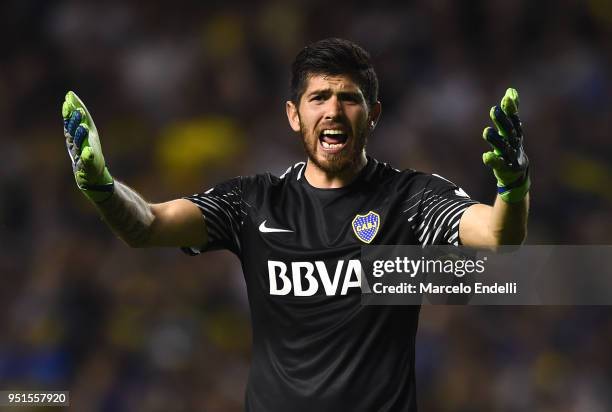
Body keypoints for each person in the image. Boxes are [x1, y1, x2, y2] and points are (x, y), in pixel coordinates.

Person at [63, 38, 529, 411]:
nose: (333, 111)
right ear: (294, 115)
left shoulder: (411, 198)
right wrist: (102, 186)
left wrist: (513, 185)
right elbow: (147, 224)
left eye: (350, 98)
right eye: (319, 97)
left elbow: (497, 236)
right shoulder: (251, 202)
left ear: (374, 115)